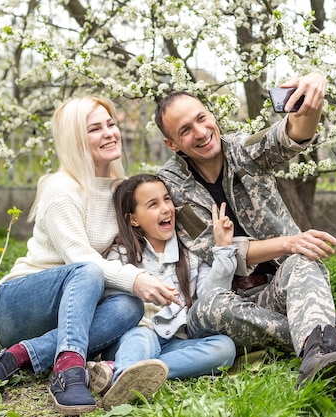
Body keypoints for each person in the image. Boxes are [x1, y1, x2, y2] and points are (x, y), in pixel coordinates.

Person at [154, 72, 336, 390]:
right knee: (207, 310)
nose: (201, 132)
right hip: (227, 300)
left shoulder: (242, 149)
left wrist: (313, 95)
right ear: (171, 143)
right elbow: (217, 248)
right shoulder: (170, 186)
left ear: (211, 115)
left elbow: (290, 135)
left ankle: (319, 360)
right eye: (185, 130)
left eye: (202, 118)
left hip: (280, 288)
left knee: (303, 258)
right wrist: (289, 242)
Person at [0, 96, 180, 415]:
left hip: (75, 309)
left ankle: (21, 356)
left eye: (111, 124)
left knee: (129, 305)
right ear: (75, 140)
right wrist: (136, 279)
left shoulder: (120, 190)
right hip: (19, 305)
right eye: (95, 128)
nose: (110, 133)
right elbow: (80, 259)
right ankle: (68, 371)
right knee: (90, 271)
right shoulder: (62, 189)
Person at [89, 174, 237, 410]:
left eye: (167, 199)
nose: (166, 208)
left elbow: (210, 297)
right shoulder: (121, 255)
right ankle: (124, 380)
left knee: (225, 348)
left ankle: (127, 372)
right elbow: (110, 307)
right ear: (134, 219)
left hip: (174, 341)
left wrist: (223, 248)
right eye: (153, 204)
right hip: (134, 338)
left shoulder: (189, 254)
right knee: (143, 336)